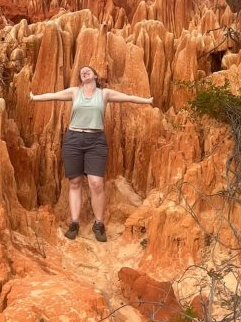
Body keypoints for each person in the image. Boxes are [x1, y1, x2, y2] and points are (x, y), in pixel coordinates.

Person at [30, 65, 153, 242]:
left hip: (95, 141)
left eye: (88, 70)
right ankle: (74, 223)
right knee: (74, 182)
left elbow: (128, 98)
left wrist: (147, 100)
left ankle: (99, 223)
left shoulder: (104, 94)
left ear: (95, 75)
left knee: (96, 183)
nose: (84, 72)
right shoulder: (74, 92)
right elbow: (53, 95)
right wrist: (35, 98)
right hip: (73, 139)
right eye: (82, 71)